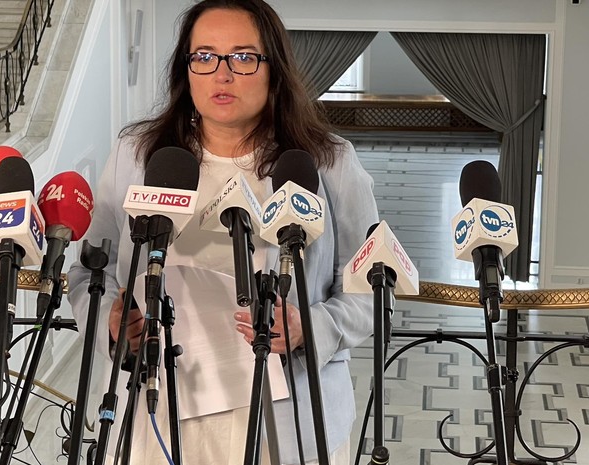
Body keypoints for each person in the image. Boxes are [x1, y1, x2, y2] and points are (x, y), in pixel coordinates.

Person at [67, 1, 378, 464]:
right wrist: (113, 328)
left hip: (283, 413)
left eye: (243, 57)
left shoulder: (327, 163)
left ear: (274, 70)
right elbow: (90, 271)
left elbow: (370, 288)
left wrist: (310, 329)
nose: (222, 74)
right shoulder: (138, 156)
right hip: (159, 407)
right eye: (205, 56)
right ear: (186, 68)